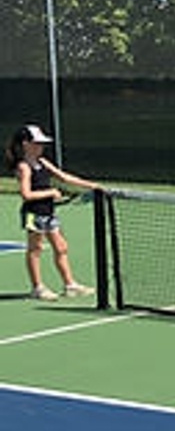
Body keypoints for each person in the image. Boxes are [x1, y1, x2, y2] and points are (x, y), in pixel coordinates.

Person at [4, 124, 101, 301]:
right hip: (33, 213)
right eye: (37, 143)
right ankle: (37, 287)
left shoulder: (42, 162)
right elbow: (26, 194)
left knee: (61, 247)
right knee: (35, 249)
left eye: (42, 143)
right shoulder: (23, 167)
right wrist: (51, 192)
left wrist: (93, 186)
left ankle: (70, 285)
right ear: (26, 144)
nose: (41, 146)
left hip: (48, 212)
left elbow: (65, 177)